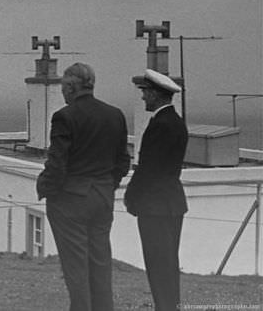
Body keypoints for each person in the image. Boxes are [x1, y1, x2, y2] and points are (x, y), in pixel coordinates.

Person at [37, 62, 131, 311]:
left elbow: (57, 164)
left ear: (70, 87)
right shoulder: (115, 114)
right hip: (102, 197)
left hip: (70, 201)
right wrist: (108, 186)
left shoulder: (64, 117)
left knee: (76, 267)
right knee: (100, 263)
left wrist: (44, 187)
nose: (63, 94)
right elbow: (123, 161)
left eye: (63, 88)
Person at [124, 69, 188, 311]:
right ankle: (170, 305)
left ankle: (165, 307)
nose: (143, 98)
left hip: (155, 205)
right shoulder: (176, 122)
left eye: (146, 93)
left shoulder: (160, 124)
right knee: (169, 262)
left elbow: (149, 169)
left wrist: (131, 196)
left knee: (157, 262)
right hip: (172, 202)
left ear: (156, 94)